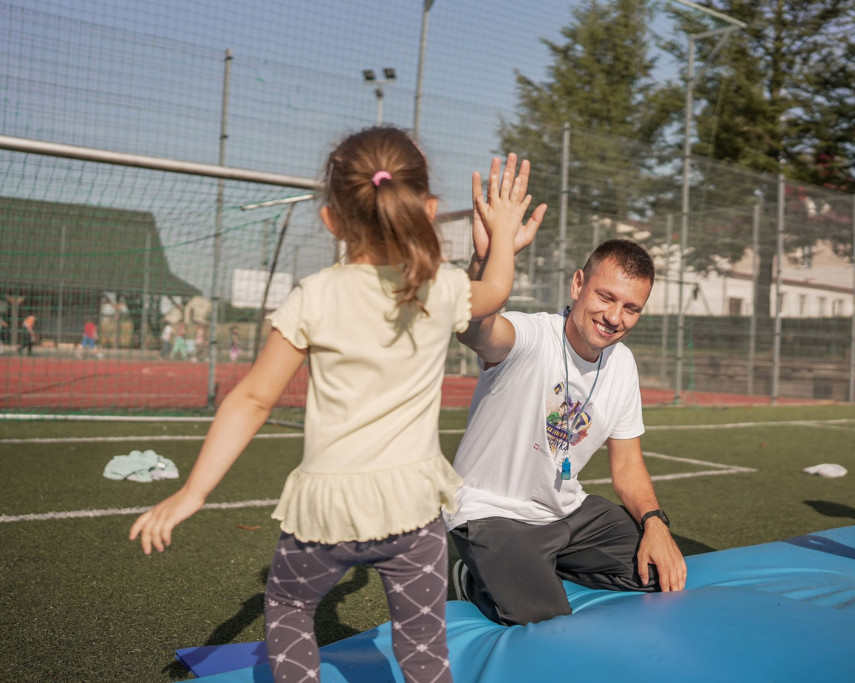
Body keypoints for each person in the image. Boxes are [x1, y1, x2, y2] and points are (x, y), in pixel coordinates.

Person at [129, 126, 543, 683]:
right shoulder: (441, 290)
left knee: (292, 611)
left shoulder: (315, 296)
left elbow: (251, 399)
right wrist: (500, 236)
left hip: (326, 513)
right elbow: (494, 290)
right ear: (429, 208)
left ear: (330, 220)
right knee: (423, 648)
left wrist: (192, 492)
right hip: (414, 512)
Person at [446, 198, 686, 626]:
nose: (614, 317)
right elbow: (474, 327)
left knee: (656, 573)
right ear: (578, 285)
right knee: (541, 618)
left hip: (566, 514)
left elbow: (628, 464)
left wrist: (655, 522)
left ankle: (539, 563)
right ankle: (470, 574)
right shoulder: (532, 336)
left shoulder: (623, 364)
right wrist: (485, 258)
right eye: (606, 297)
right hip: (492, 512)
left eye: (631, 308)